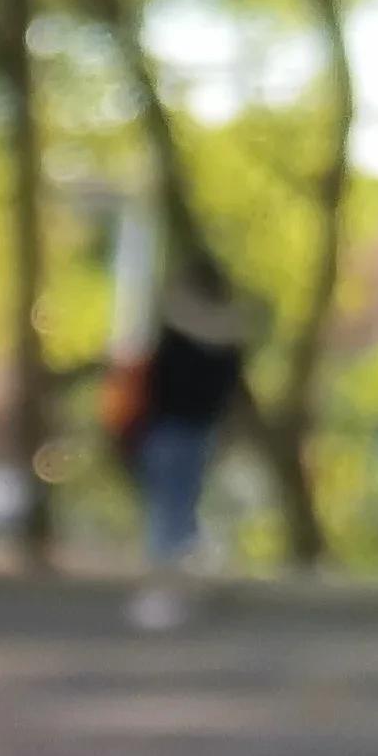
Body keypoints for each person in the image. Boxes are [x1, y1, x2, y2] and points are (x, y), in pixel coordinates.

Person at [114, 240, 258, 631]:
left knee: (167, 511)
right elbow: (232, 390)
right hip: (200, 430)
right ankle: (193, 572)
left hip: (167, 428)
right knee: (183, 506)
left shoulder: (174, 325)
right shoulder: (231, 333)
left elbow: (155, 379)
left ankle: (166, 590)